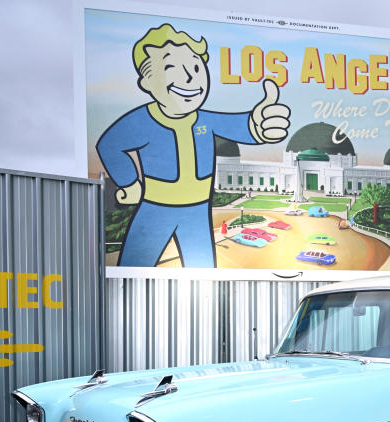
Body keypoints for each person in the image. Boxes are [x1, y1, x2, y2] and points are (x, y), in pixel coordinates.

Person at [96, 24, 290, 267]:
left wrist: (260, 124)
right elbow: (110, 144)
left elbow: (242, 125)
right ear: (147, 81)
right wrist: (129, 183)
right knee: (133, 267)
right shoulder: (142, 121)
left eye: (196, 67)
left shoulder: (207, 120)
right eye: (171, 69)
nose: (189, 77)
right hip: (155, 209)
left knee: (204, 270)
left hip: (197, 212)